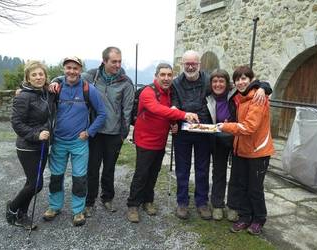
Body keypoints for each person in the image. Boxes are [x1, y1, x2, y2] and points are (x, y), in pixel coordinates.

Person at [50, 47, 134, 216]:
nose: (118, 65)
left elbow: (128, 110)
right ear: (104, 61)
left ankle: (107, 198)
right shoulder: (92, 76)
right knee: (92, 169)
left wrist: (123, 134)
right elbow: (69, 77)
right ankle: (89, 202)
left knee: (109, 168)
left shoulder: (126, 82)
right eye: (114, 62)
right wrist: (55, 81)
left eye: (120, 61)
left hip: (113, 132)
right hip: (93, 131)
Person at [126, 63, 199, 223]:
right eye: (163, 75)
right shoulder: (148, 92)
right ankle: (133, 205)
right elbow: (156, 109)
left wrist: (173, 121)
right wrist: (183, 115)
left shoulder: (169, 93)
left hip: (160, 140)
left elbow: (168, 112)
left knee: (153, 173)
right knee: (141, 173)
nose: (166, 78)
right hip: (145, 140)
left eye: (169, 75)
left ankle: (148, 201)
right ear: (156, 76)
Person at [42, 56, 106, 227]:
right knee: (56, 177)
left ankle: (78, 211)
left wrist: (89, 132)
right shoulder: (56, 87)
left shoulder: (88, 89)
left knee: (79, 178)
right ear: (64, 69)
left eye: (75, 68)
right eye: (68, 67)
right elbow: (34, 90)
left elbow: (102, 114)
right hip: (58, 141)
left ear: (80, 70)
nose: (71, 71)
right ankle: (54, 207)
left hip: (79, 142)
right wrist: (20, 91)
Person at [206, 69, 272, 221]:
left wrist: (263, 87)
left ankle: (234, 207)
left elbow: (262, 85)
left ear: (228, 83)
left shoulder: (236, 94)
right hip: (219, 139)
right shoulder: (207, 96)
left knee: (237, 177)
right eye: (215, 81)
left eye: (221, 81)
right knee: (219, 173)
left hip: (238, 139)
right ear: (210, 84)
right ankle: (217, 205)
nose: (218, 84)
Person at [6, 60, 53, 230]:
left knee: (32, 183)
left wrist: (55, 84)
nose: (38, 77)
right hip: (27, 146)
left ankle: (22, 214)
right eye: (34, 75)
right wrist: (36, 135)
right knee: (36, 184)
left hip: (42, 145)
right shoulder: (23, 96)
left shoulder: (46, 93)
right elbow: (16, 123)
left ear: (45, 76)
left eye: (41, 74)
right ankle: (12, 208)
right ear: (28, 78)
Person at [171, 50, 213, 220]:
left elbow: (225, 91)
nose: (190, 67)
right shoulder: (175, 83)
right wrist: (175, 121)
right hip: (183, 132)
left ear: (199, 65)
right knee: (182, 169)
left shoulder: (210, 80)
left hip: (204, 131)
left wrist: (261, 87)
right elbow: (173, 105)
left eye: (193, 64)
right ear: (182, 64)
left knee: (202, 169)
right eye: (187, 64)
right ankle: (182, 202)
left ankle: (202, 202)